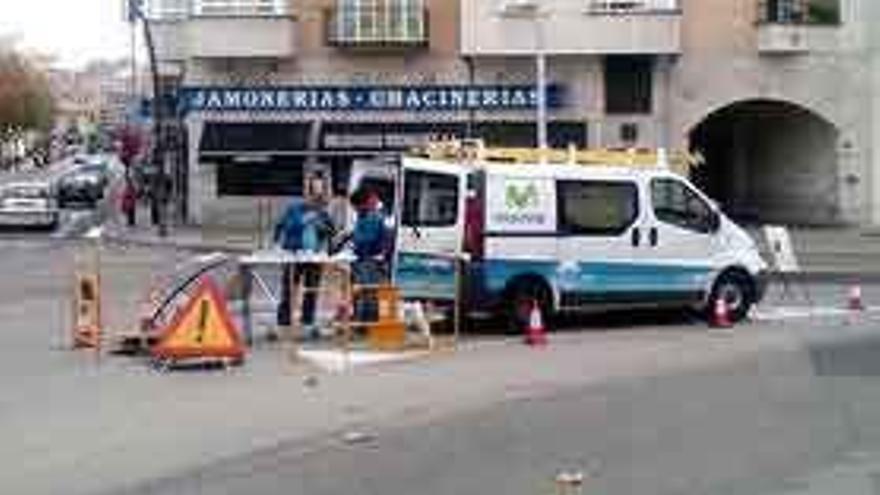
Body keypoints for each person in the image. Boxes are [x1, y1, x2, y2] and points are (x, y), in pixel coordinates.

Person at [274, 175, 334, 338]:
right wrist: (303, 220)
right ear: (307, 193)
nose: (317, 197)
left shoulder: (322, 212)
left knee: (312, 289)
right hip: (294, 254)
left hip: (314, 256)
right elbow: (285, 226)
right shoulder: (294, 208)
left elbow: (331, 231)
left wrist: (324, 228)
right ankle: (283, 322)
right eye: (314, 192)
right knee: (288, 288)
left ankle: (307, 321)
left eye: (320, 193)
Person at [350, 187, 391, 323]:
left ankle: (367, 322)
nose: (355, 210)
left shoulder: (373, 217)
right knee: (365, 292)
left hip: (369, 260)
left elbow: (367, 239)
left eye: (356, 207)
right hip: (366, 260)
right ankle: (363, 320)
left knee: (369, 293)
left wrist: (354, 240)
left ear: (363, 204)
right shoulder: (366, 216)